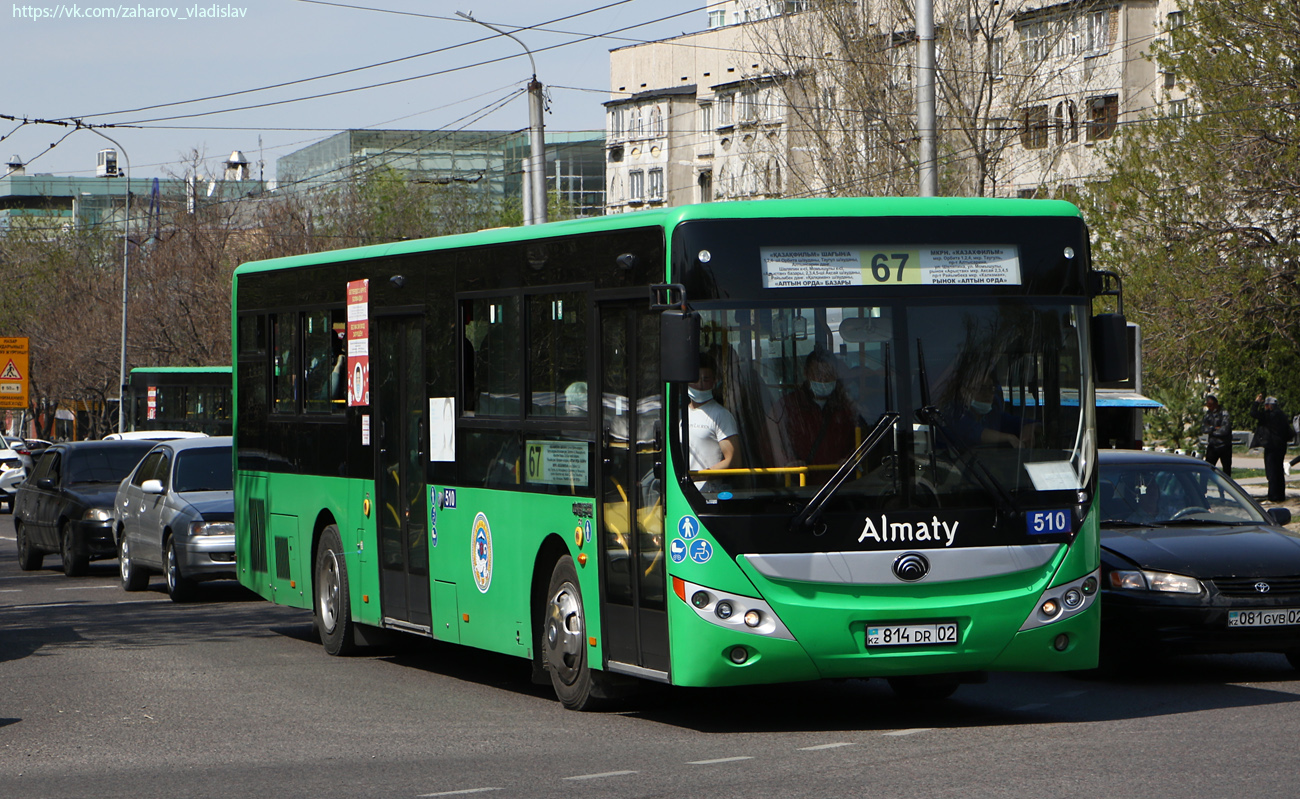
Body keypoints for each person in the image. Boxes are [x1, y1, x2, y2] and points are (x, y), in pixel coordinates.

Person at [770, 348, 862, 482]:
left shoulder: (847, 407)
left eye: (829, 374)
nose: (823, 379)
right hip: (800, 488)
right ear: (806, 373)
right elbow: (770, 442)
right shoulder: (786, 406)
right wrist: (787, 463)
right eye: (818, 373)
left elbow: (864, 441)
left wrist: (852, 460)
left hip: (841, 487)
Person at [687, 354, 740, 492]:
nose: (700, 385)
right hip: (683, 491)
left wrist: (700, 476)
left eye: (706, 379)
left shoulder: (721, 415)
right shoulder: (680, 415)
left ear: (715, 381)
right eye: (696, 379)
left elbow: (733, 461)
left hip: (708, 494)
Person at [945, 372, 1037, 449]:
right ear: (964, 392)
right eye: (981, 389)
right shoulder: (953, 414)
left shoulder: (992, 415)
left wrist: (1029, 426)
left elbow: (1024, 422)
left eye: (991, 389)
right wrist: (1009, 438)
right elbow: (973, 432)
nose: (988, 394)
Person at [1250, 394, 1292, 502]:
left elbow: (1253, 413)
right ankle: (1280, 495)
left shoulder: (1269, 416)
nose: (1264, 408)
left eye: (1266, 405)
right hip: (1281, 446)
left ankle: (1273, 496)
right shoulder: (1282, 415)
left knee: (1271, 472)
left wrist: (1256, 402)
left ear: (1270, 406)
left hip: (1271, 446)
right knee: (1279, 471)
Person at [1202, 394, 1233, 475]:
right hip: (1212, 445)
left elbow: (1224, 430)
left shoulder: (1224, 413)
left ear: (1216, 404)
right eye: (1208, 406)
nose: (1210, 408)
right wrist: (1214, 428)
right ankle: (1202, 486)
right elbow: (1204, 428)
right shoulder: (1208, 414)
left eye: (1211, 405)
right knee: (1207, 468)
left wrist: (1212, 430)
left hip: (1224, 445)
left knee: (1226, 470)